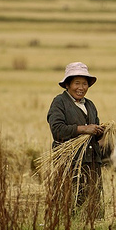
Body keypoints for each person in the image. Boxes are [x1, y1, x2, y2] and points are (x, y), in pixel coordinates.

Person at [47, 62, 105, 219]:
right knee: (67, 202)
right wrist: (83, 129)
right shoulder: (59, 102)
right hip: (69, 162)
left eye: (85, 83)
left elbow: (95, 130)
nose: (81, 87)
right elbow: (57, 130)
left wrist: (100, 131)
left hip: (91, 161)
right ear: (67, 84)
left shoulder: (90, 105)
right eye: (77, 83)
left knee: (92, 204)